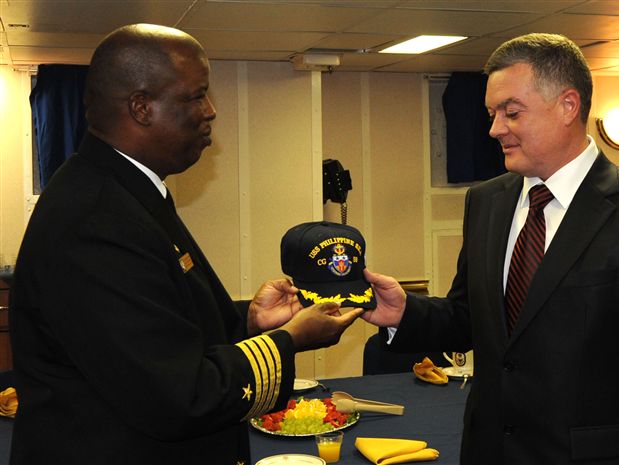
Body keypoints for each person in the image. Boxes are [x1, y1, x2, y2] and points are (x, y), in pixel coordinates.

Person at [9, 24, 362, 465]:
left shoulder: (125, 191)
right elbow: (178, 395)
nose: (210, 111)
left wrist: (250, 322)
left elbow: (161, 324)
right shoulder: (96, 221)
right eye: (195, 96)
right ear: (142, 108)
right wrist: (288, 340)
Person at [362, 33, 619, 464]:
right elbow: (472, 318)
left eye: (511, 113)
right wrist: (405, 312)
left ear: (567, 106)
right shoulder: (486, 201)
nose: (494, 128)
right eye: (492, 113)